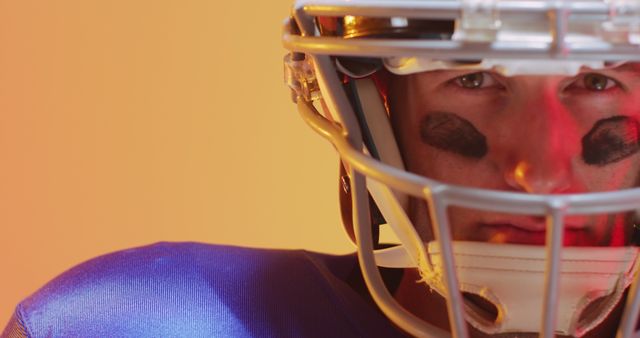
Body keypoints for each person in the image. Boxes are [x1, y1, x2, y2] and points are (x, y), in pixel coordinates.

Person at [4, 1, 640, 337]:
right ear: (377, 112)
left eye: (596, 80)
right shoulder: (153, 323)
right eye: (471, 78)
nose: (540, 171)